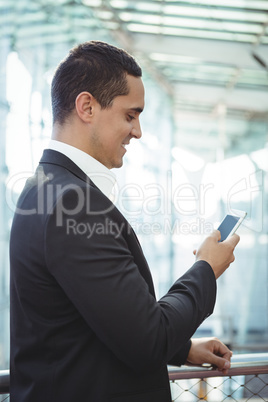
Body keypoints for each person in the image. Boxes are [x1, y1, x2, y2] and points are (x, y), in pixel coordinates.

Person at [9, 41, 240, 402]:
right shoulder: (73, 203)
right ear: (87, 106)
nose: (138, 132)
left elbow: (86, 321)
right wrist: (206, 268)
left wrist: (180, 348)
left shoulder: (43, 188)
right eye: (130, 115)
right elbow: (148, 340)